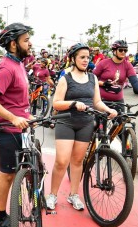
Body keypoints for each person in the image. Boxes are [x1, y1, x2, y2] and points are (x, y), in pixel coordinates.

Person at [46, 43, 117, 211]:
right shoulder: (66, 78)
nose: (86, 60)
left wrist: (109, 110)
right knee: (62, 161)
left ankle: (73, 195)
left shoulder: (92, 78)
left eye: (87, 57)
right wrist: (73, 103)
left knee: (77, 161)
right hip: (66, 122)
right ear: (73, 59)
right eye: (82, 57)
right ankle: (53, 195)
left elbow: (97, 102)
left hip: (86, 123)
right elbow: (56, 103)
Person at [0, 23, 33, 227]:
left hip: (19, 127)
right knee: (7, 174)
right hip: (6, 129)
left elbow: (15, 99)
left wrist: (28, 116)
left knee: (11, 174)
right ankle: (1, 217)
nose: (30, 43)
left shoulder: (18, 64)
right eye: (25, 40)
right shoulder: (6, 67)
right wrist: (13, 118)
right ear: (13, 44)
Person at [93, 40, 138, 108]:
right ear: (114, 51)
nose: (123, 52)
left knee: (123, 118)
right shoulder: (104, 63)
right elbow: (91, 79)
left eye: (125, 50)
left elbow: (134, 82)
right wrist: (103, 83)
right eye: (121, 50)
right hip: (101, 101)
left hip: (118, 101)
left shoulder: (127, 65)